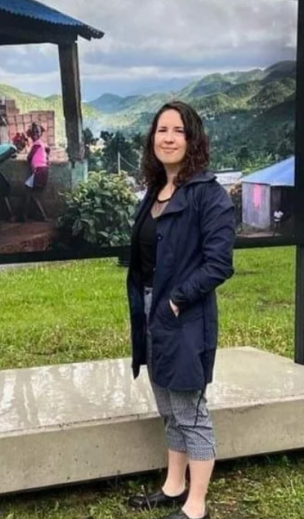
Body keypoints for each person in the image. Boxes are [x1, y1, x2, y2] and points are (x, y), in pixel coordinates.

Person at [125, 100, 235, 519]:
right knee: (168, 407)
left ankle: (196, 505)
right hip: (151, 310)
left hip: (184, 315)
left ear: (193, 140)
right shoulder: (156, 193)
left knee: (190, 411)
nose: (168, 138)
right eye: (161, 130)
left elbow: (219, 264)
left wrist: (175, 299)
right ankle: (173, 486)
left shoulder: (209, 195)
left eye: (178, 131)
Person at [17, 123, 48, 221]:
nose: (36, 134)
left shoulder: (37, 143)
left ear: (40, 134)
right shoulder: (41, 144)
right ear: (31, 134)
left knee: (29, 192)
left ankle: (26, 216)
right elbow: (47, 152)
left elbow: (29, 157)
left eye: (37, 132)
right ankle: (35, 216)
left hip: (39, 171)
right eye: (34, 132)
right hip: (42, 170)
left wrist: (32, 163)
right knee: (31, 193)